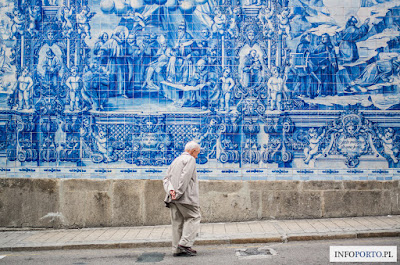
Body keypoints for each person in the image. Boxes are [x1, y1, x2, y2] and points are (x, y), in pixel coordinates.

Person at [163, 141, 201, 257]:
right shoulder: (190, 160)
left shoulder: (176, 160)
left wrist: (171, 191)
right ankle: (184, 244)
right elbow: (185, 177)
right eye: (197, 153)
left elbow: (166, 178)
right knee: (194, 217)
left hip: (172, 197)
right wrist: (178, 193)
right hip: (185, 197)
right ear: (193, 151)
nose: (197, 156)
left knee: (177, 222)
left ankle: (176, 249)